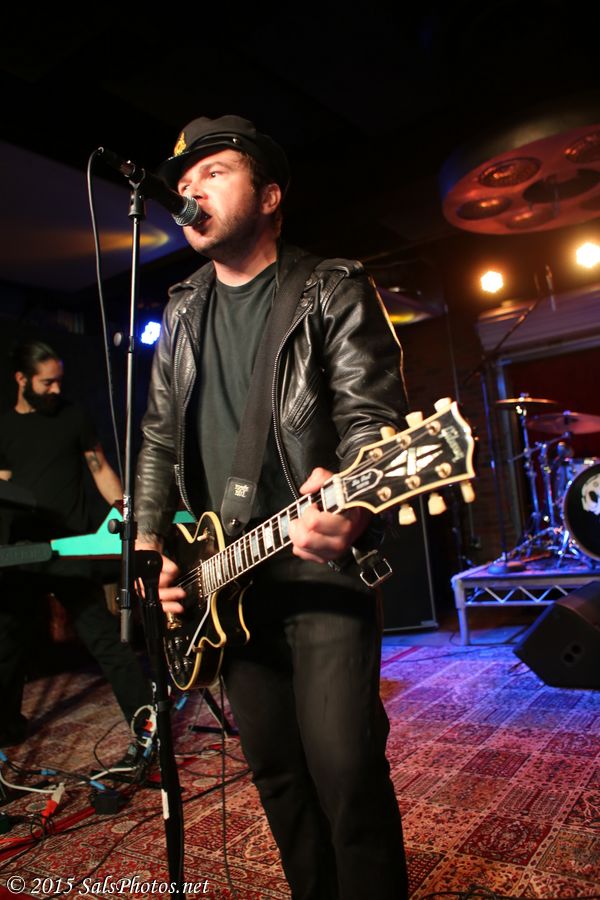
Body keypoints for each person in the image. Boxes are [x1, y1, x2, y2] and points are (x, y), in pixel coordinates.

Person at [135, 115, 410, 899]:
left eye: (213, 173)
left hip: (319, 566)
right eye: (183, 183)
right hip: (224, 580)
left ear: (270, 196)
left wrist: (355, 499)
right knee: (278, 776)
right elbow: (158, 436)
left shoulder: (331, 287)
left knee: (345, 771)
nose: (190, 191)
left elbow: (372, 419)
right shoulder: (181, 310)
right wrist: (150, 545)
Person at [0, 340, 152, 750]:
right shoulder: (5, 427)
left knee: (105, 640)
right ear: (21, 379)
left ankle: (146, 726)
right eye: (46, 382)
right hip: (24, 552)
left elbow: (99, 468)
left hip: (71, 548)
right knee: (7, 645)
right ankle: (6, 727)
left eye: (59, 381)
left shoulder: (73, 416)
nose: (55, 389)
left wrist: (125, 509)